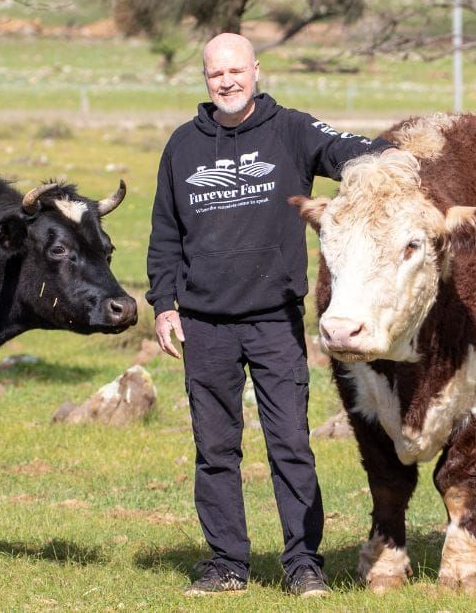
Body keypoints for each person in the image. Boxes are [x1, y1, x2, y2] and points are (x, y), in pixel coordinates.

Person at [146, 32, 393, 598]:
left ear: (256, 70)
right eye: (215, 74)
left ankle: (304, 563)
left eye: (236, 70)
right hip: (205, 323)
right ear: (204, 78)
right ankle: (226, 562)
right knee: (215, 449)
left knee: (290, 444)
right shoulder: (183, 146)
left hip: (275, 320)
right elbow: (165, 234)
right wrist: (163, 305)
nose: (227, 81)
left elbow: (350, 151)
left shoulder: (293, 130)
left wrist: (394, 156)